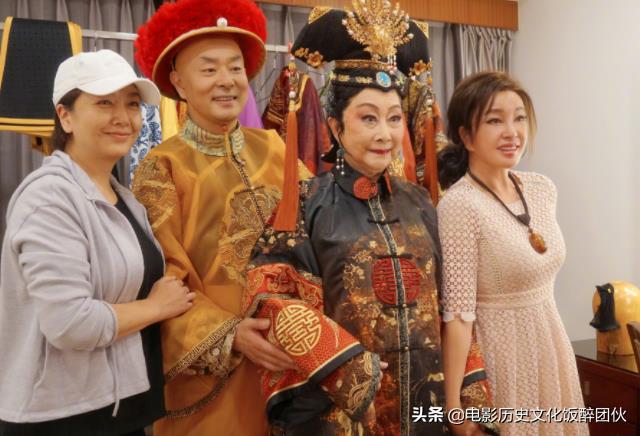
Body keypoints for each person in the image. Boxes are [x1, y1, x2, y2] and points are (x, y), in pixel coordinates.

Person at [241, 3, 498, 435]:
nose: (385, 134)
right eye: (368, 118)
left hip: (428, 408)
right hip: (341, 412)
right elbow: (271, 295)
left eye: (394, 118)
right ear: (335, 126)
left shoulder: (421, 203)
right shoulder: (304, 203)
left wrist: (470, 401)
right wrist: (349, 365)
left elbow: (451, 305)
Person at [131, 0, 310, 434]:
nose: (227, 80)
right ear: (179, 82)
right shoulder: (162, 166)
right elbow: (160, 277)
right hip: (212, 378)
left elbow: (318, 233)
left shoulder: (275, 148)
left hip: (292, 354)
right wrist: (231, 335)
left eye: (235, 67)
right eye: (209, 69)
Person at [0, 49, 194, 436]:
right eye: (104, 102)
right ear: (65, 116)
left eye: (132, 104)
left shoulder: (126, 199)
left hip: (118, 407)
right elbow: (70, 323)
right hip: (62, 417)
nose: (123, 117)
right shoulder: (50, 197)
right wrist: (156, 307)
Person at [438, 71, 587, 435]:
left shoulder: (541, 189)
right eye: (495, 120)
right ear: (466, 136)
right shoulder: (459, 206)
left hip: (551, 346)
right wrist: (453, 405)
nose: (512, 132)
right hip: (501, 357)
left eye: (519, 118)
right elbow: (458, 315)